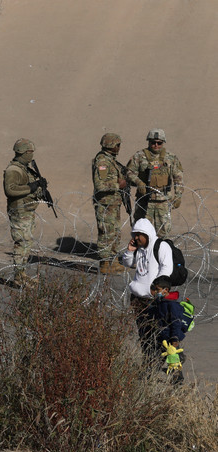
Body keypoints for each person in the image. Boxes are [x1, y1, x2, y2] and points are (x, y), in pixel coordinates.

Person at [120, 218, 174, 361]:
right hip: (139, 299)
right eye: (134, 234)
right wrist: (130, 251)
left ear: (147, 233)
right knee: (144, 336)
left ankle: (173, 365)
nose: (136, 238)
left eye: (139, 234)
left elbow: (167, 268)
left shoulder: (161, 246)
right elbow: (128, 263)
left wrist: (157, 289)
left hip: (154, 300)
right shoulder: (139, 249)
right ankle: (149, 364)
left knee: (160, 335)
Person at [126, 129, 183, 238]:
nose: (156, 145)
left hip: (163, 201)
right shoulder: (139, 156)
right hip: (144, 200)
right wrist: (139, 182)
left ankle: (160, 253)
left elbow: (178, 177)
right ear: (148, 142)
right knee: (141, 232)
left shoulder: (170, 157)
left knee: (163, 233)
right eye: (153, 142)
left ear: (163, 142)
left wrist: (178, 195)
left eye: (159, 143)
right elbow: (129, 172)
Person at [3, 138, 41, 287]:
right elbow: (10, 190)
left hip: (27, 210)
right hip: (19, 211)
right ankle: (18, 278)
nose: (31, 155)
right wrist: (31, 188)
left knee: (27, 243)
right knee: (21, 243)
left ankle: (22, 274)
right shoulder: (14, 170)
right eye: (30, 152)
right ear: (23, 152)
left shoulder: (24, 168)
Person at [92, 133, 127, 274]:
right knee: (106, 233)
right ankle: (105, 264)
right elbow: (100, 185)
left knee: (115, 233)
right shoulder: (103, 162)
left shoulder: (110, 160)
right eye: (117, 145)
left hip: (113, 203)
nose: (119, 147)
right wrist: (119, 185)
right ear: (111, 145)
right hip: (105, 204)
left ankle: (113, 261)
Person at [147, 275, 187, 383]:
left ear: (166, 290)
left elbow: (176, 323)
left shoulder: (172, 305)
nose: (155, 292)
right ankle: (149, 378)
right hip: (162, 337)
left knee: (173, 363)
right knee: (155, 360)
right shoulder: (161, 302)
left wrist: (174, 340)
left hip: (170, 339)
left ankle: (177, 383)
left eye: (157, 289)